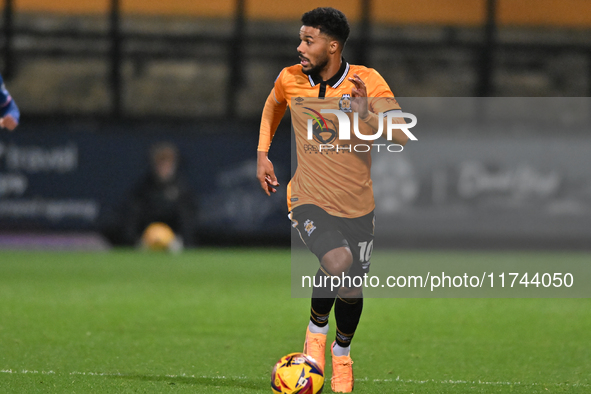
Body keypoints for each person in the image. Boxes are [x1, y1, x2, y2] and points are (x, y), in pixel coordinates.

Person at [256, 7, 408, 392]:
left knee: (351, 288)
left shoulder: (367, 82)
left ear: (333, 46)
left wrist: (364, 115)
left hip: (358, 206)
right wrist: (263, 153)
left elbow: (401, 135)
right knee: (337, 260)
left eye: (309, 40)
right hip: (307, 198)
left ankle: (342, 353)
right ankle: (315, 336)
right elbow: (273, 104)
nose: (300, 47)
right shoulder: (290, 79)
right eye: (301, 39)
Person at [124, 142, 197, 251]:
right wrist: (136, 240)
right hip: (145, 241)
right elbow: (132, 219)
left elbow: (188, 222)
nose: (164, 168)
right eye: (160, 164)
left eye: (167, 164)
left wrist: (181, 241)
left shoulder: (182, 189)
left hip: (175, 242)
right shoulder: (143, 189)